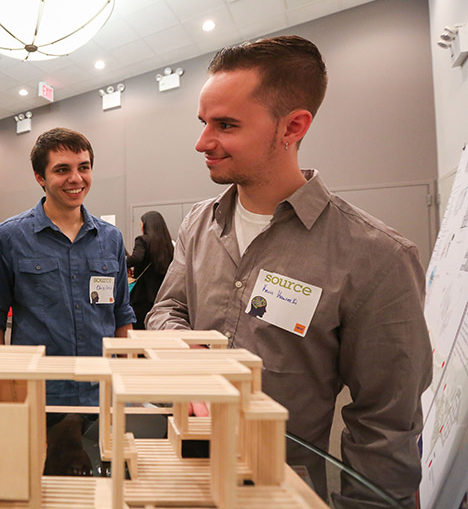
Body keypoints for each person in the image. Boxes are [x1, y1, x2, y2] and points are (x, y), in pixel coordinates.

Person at [146, 36, 431, 506]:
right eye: (203, 123)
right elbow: (167, 308)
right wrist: (187, 347)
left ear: (292, 126)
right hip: (182, 465)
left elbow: (385, 427)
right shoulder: (200, 222)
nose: (202, 142)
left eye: (226, 125)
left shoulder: (377, 258)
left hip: (281, 488)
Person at [0, 127, 135, 406]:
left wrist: (126, 379)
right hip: (37, 393)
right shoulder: (9, 237)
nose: (76, 178)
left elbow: (122, 315)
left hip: (101, 391)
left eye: (83, 167)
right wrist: (2, 386)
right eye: (62, 170)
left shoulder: (111, 238)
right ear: (40, 177)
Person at [126, 211, 174, 329]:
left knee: (140, 329)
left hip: (143, 295)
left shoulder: (143, 240)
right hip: (162, 294)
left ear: (146, 225)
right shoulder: (168, 244)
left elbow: (136, 258)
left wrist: (121, 263)